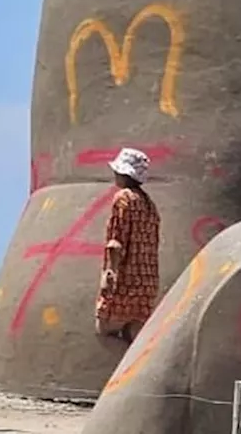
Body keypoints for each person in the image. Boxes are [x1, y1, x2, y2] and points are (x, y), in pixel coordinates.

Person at [95, 147, 161, 344]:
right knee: (133, 339)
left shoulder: (123, 198)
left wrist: (110, 273)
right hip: (146, 286)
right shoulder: (149, 205)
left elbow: (116, 242)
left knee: (103, 330)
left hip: (125, 281)